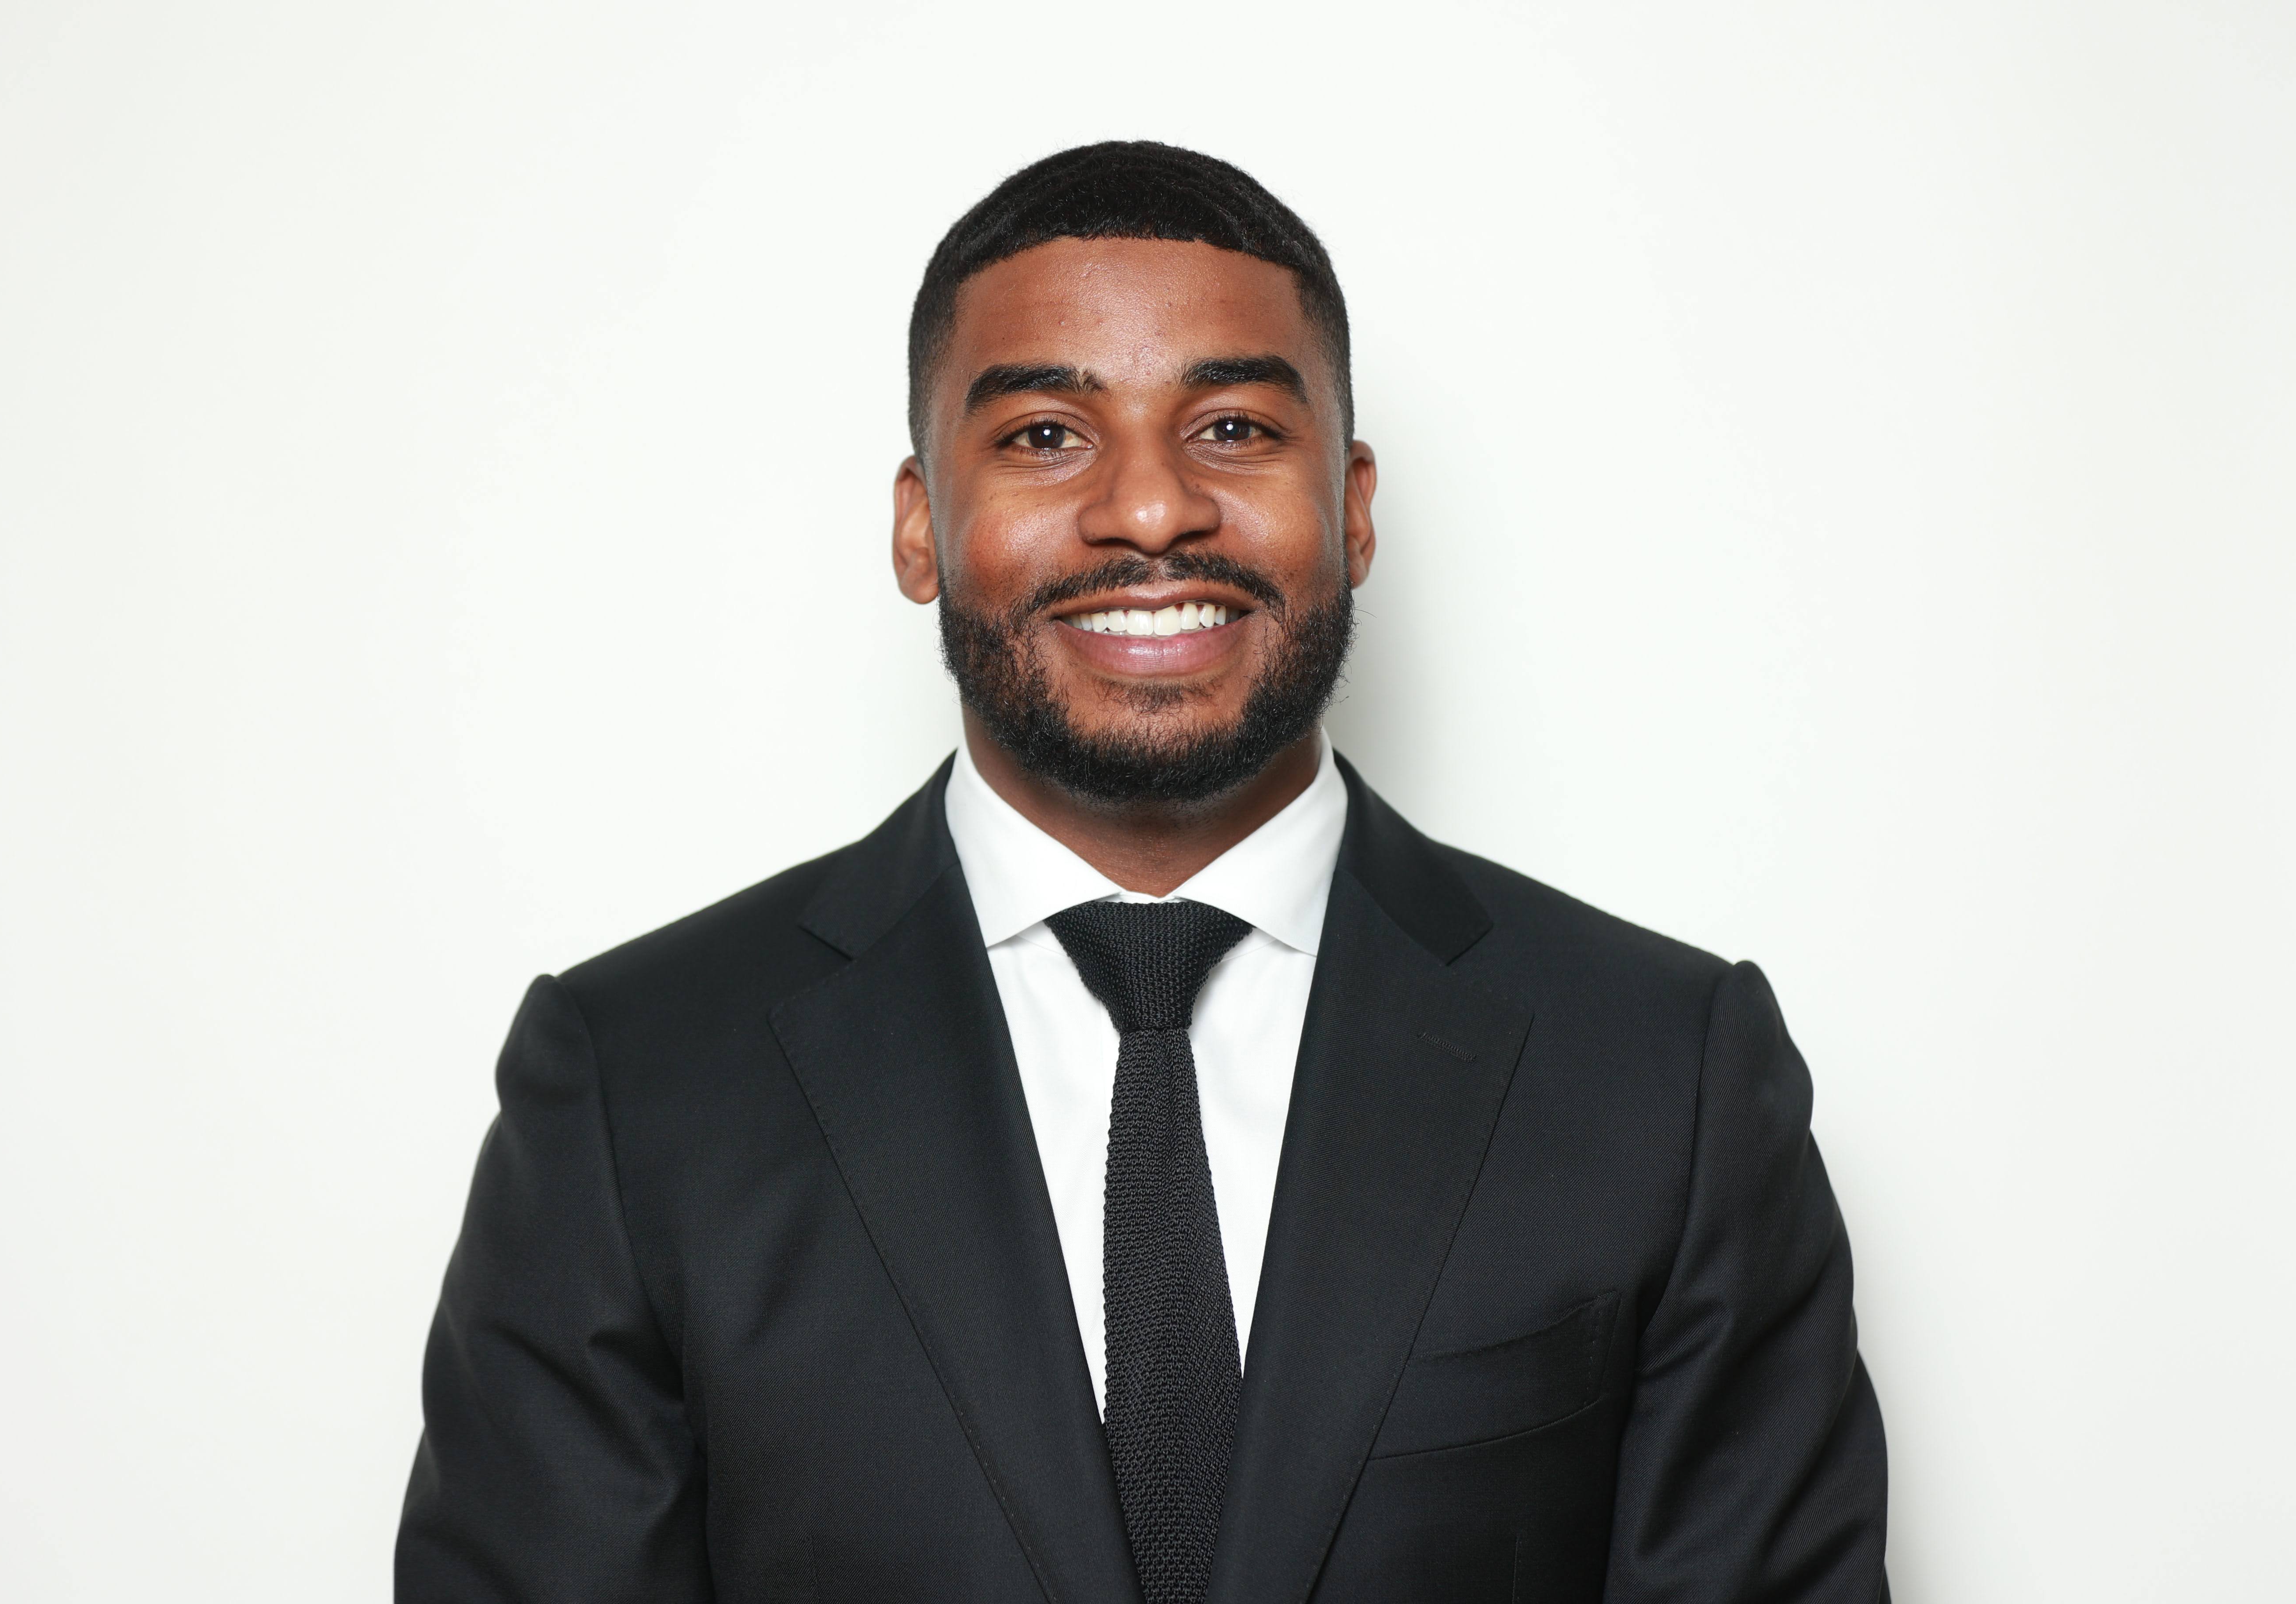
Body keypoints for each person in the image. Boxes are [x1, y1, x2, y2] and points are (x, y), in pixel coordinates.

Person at [395, 141, 1889, 1603]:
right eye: (1046, 434)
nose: (1153, 509)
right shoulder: (635, 1088)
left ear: (1354, 507)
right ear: (922, 524)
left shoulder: (1662, 1074)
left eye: (1234, 427)